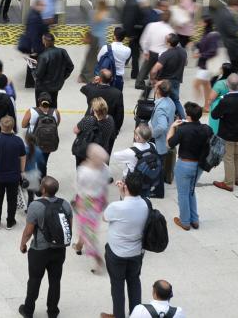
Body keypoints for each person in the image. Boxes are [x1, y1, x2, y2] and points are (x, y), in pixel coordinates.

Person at [18, 175, 73, 318]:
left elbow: (29, 231)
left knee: (35, 280)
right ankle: (53, 311)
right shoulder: (65, 204)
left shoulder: (35, 206)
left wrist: (23, 244)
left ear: (42, 189)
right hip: (59, 249)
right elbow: (69, 227)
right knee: (55, 281)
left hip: (39, 251)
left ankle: (28, 310)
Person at [100, 172, 149, 318]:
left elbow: (105, 217)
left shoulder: (116, 207)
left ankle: (118, 315)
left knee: (117, 285)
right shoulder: (146, 204)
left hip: (116, 253)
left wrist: (122, 195)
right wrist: (124, 194)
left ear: (126, 186)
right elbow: (131, 206)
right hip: (137, 252)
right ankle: (136, 314)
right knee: (134, 282)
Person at [166, 103, 212, 230]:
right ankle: (194, 219)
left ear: (188, 115)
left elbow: (169, 144)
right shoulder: (206, 129)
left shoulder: (182, 129)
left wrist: (172, 127)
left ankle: (185, 221)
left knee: (182, 193)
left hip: (185, 164)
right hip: (200, 166)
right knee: (191, 191)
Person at [0, 116, 26, 230]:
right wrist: (22, 171)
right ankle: (10, 222)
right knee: (12, 200)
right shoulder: (18, 141)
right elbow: (22, 157)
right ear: (12, 127)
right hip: (13, 176)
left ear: (0, 125)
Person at [73, 143, 110, 274]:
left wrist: (80, 203)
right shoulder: (105, 168)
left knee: (88, 231)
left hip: (85, 202)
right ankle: (78, 245)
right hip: (98, 200)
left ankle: (97, 259)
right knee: (87, 227)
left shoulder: (84, 170)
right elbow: (105, 185)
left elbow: (79, 187)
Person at [211, 73, 238, 192]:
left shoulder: (226, 100)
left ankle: (228, 183)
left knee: (228, 158)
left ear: (227, 85)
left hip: (228, 133)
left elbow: (214, 115)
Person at [149, 81, 181, 199]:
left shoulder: (161, 107)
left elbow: (162, 126)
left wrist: (151, 134)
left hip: (160, 141)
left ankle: (158, 191)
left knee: (158, 166)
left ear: (158, 91)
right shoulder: (171, 102)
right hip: (167, 138)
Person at [81, 69, 125, 142]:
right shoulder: (117, 93)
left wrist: (92, 82)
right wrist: (116, 129)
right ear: (111, 79)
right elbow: (119, 114)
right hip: (108, 125)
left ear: (99, 78)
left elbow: (83, 89)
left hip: (91, 124)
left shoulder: (91, 89)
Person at [150, 33, 187, 117]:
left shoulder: (166, 55)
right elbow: (186, 62)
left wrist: (153, 80)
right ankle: (183, 119)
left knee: (162, 101)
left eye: (166, 40)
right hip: (176, 80)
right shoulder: (183, 51)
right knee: (176, 101)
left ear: (169, 43)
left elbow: (154, 70)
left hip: (165, 82)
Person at [34, 33, 74, 108]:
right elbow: (71, 66)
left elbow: (38, 75)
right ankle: (54, 117)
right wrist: (62, 77)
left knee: (41, 106)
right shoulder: (62, 52)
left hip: (43, 87)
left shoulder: (43, 56)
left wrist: (33, 69)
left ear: (45, 42)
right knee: (53, 103)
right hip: (56, 86)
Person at [82, 0, 111, 82]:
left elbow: (90, 25)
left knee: (89, 57)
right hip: (100, 39)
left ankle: (83, 75)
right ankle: (90, 77)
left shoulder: (91, 13)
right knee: (96, 59)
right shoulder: (106, 14)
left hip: (92, 37)